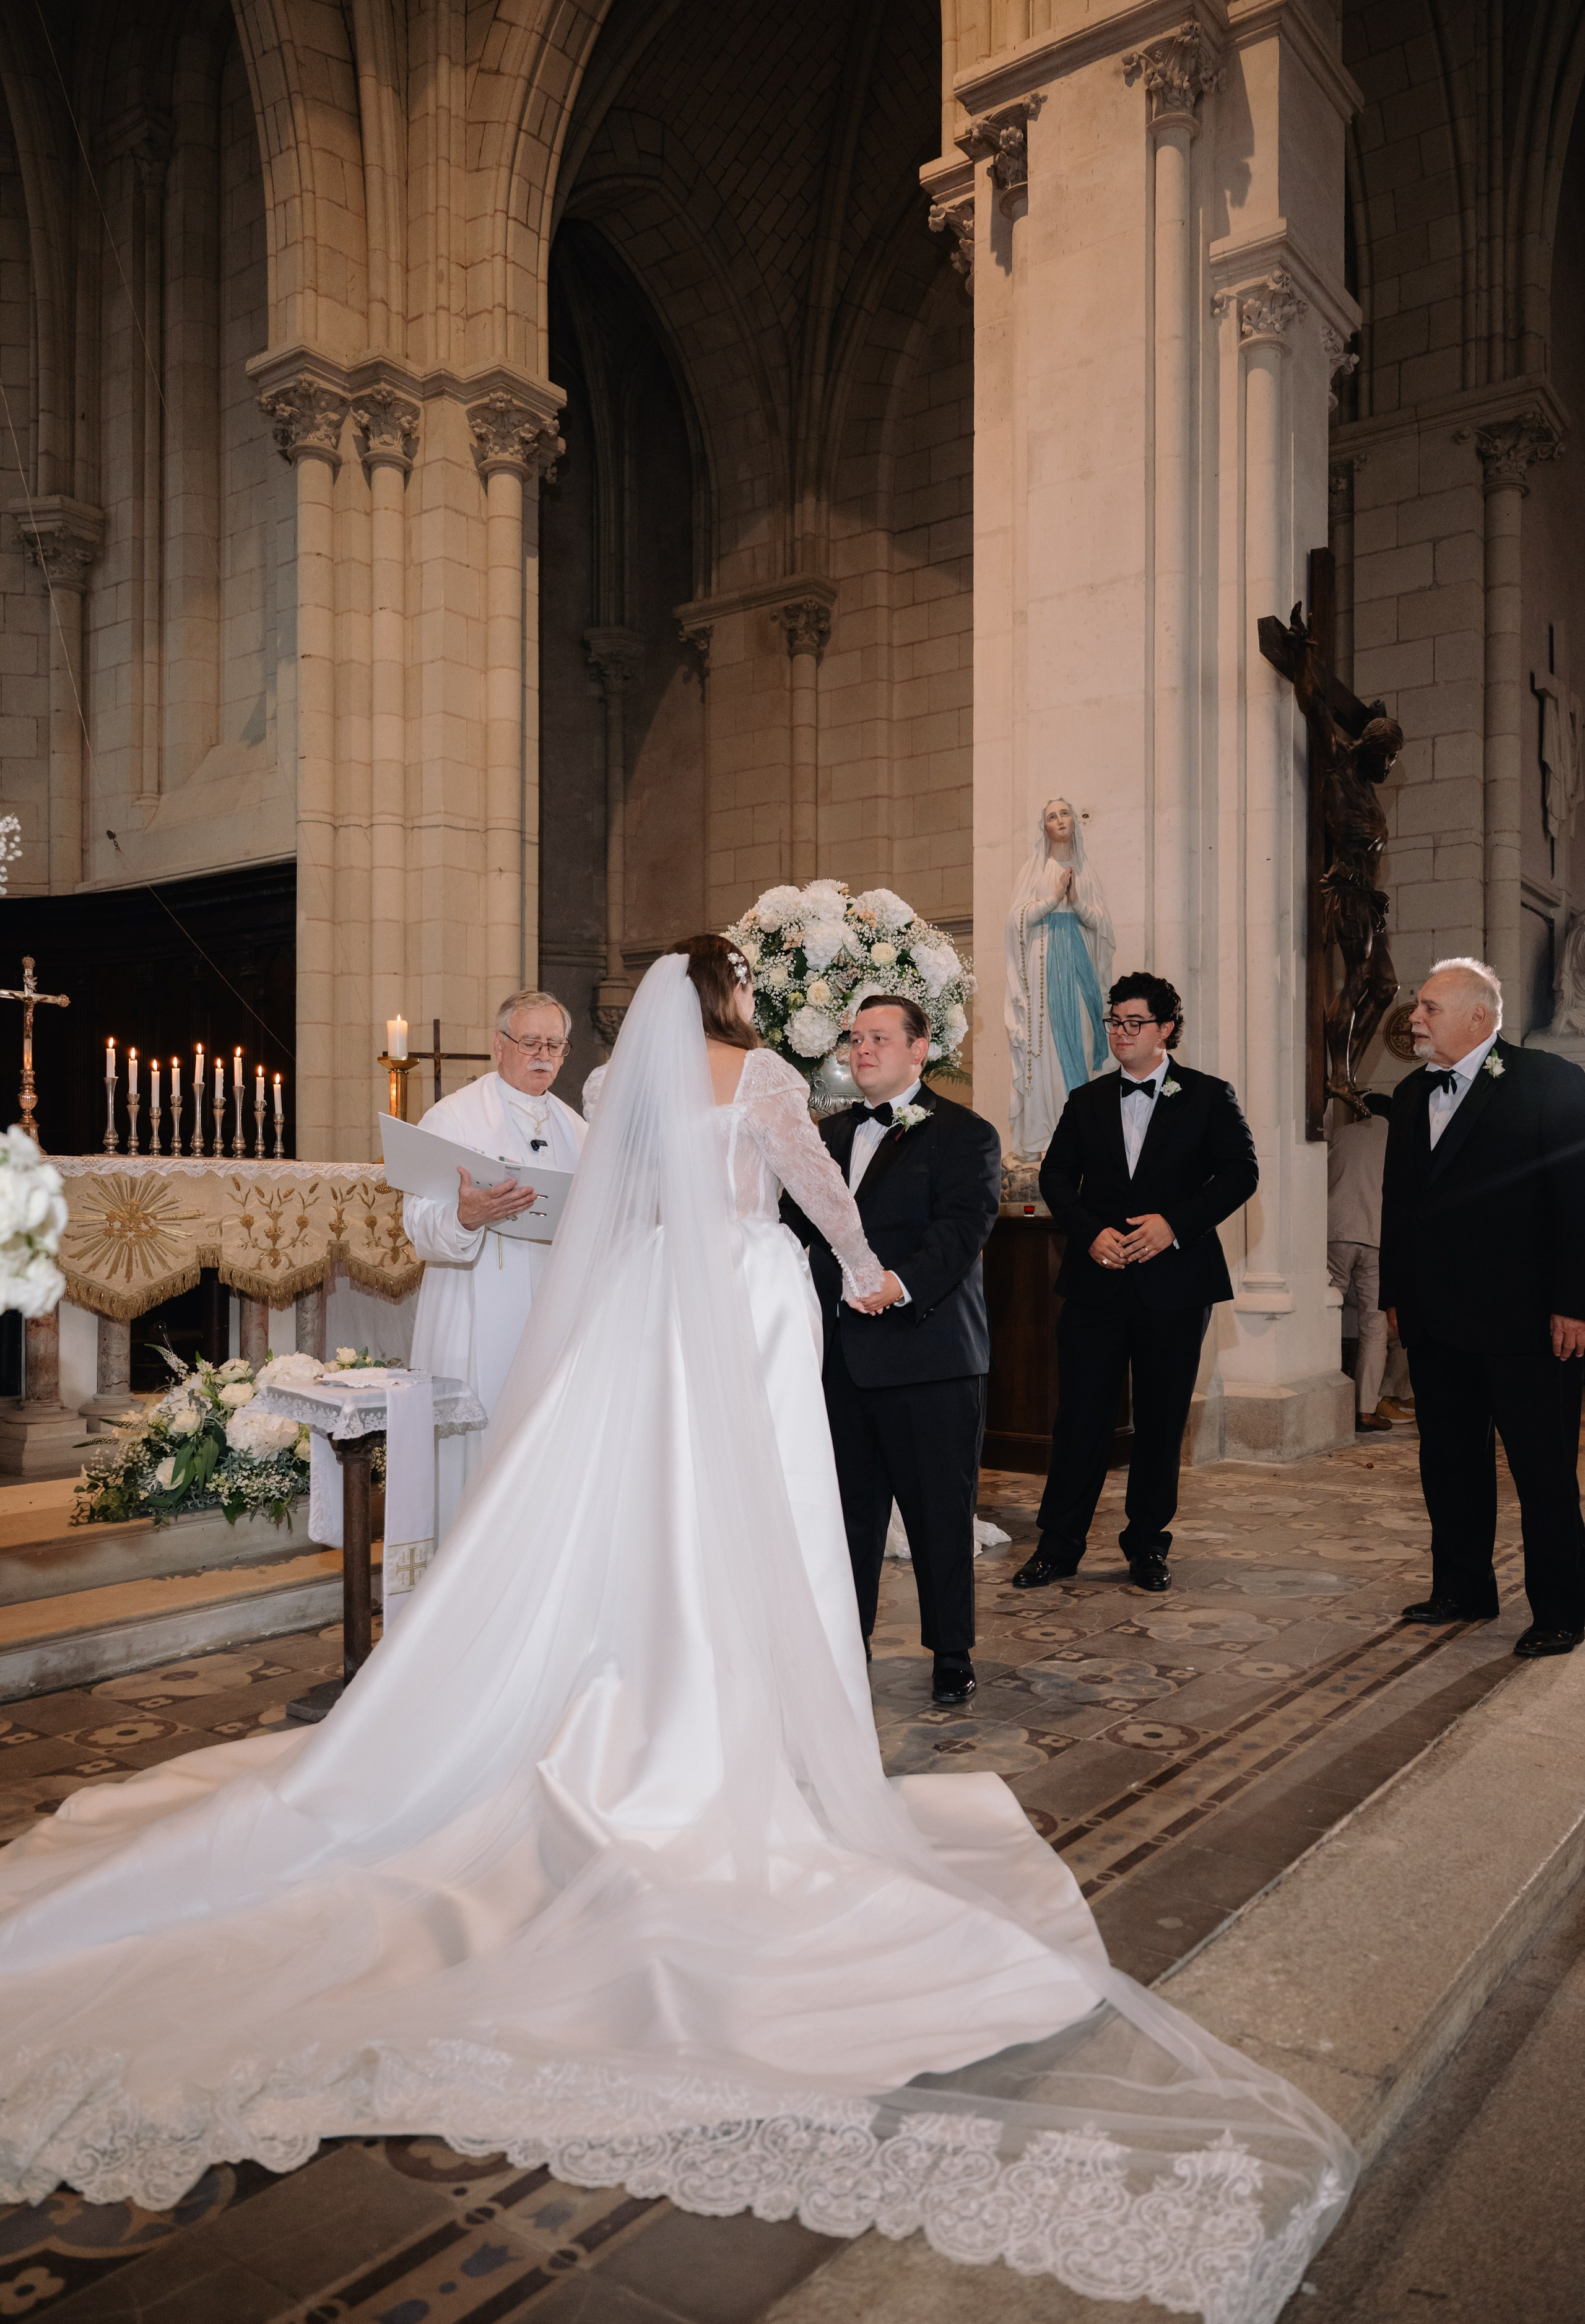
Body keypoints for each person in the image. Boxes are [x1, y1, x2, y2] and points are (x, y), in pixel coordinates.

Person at [0, 942, 1352, 2313]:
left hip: (649, 1304)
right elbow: (820, 1191)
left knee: (646, 1512)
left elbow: (611, 1208)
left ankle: (630, 1696)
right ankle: (734, 1740)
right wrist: (863, 1270)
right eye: (750, 991)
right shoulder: (759, 1077)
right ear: (731, 997)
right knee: (755, 1511)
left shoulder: (622, 1092)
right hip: (748, 1299)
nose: (761, 1009)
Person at [781, 994, 1001, 1707]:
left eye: (879, 1037)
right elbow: (791, 1224)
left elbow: (962, 1228)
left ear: (918, 1048)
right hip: (840, 1359)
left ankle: (951, 1652)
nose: (862, 1049)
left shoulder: (965, 1133)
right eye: (854, 1038)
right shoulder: (824, 1134)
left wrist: (897, 1285)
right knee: (846, 1516)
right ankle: (850, 1643)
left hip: (928, 1355)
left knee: (940, 1514)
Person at [1014, 971, 1258, 1595]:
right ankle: (1058, 1544)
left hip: (1175, 1285)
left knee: (1160, 1418)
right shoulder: (1087, 1099)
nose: (1120, 1033)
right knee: (1080, 1418)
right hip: (1096, 1282)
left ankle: (1147, 1543)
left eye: (1134, 1023)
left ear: (1166, 1028)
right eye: (1114, 1022)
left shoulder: (1208, 1095)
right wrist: (1089, 1233)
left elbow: (1240, 1174)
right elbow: (1056, 1178)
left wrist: (1173, 1225)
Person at [1379, 956, 1585, 1658]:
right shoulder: (1410, 1092)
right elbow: (1400, 1204)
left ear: (1478, 1016)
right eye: (1418, 1007)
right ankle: (1462, 1588)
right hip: (1435, 1320)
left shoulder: (1548, 1080)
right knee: (1449, 1463)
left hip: (1530, 1324)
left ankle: (1562, 1608)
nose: (1414, 1018)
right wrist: (1395, 1294)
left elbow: (1576, 1200)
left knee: (1542, 1470)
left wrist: (1574, 1303)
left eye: (1428, 1008)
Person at [403, 989, 586, 1534]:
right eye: (530, 1042)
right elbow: (417, 1223)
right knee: (477, 1458)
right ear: (499, 1045)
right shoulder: (452, 1118)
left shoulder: (578, 1130)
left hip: (553, 1313)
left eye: (554, 1044)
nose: (543, 1055)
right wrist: (465, 1216)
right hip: (474, 1304)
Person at [1005, 797, 1114, 1160]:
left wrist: (1077, 901)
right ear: (1045, 827)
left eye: (1065, 813)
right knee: (1046, 1047)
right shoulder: (1034, 870)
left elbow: (1103, 925)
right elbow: (1015, 920)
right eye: (1052, 816)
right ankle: (1044, 1135)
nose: (1060, 820)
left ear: (1074, 821)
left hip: (1080, 969)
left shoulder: (1087, 872)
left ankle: (1078, 1136)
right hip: (1043, 972)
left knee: (1082, 1040)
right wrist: (1053, 899)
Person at [1327, 1092, 1394, 1432]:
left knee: (1328, 1310)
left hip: (1336, 1231)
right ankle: (1365, 1411)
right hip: (1378, 1238)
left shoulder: (1340, 1135)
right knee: (1374, 1325)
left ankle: (1327, 1400)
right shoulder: (1397, 1141)